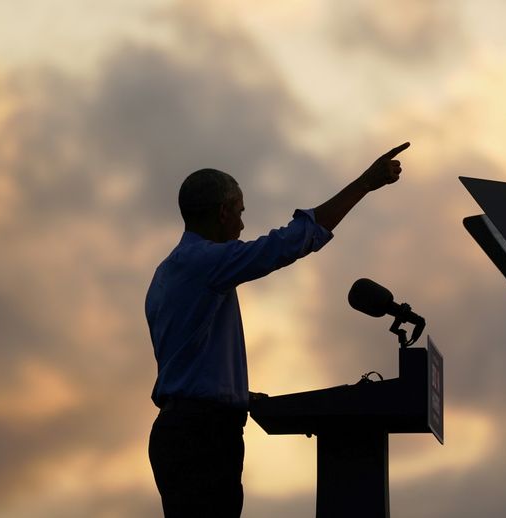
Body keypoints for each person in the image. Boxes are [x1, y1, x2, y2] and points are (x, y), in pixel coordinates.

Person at [145, 142, 410, 517]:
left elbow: (189, 359)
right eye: (239, 212)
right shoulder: (204, 263)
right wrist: (363, 184)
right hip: (200, 435)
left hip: (189, 428)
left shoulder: (166, 273)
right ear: (223, 213)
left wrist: (238, 393)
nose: (241, 224)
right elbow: (288, 243)